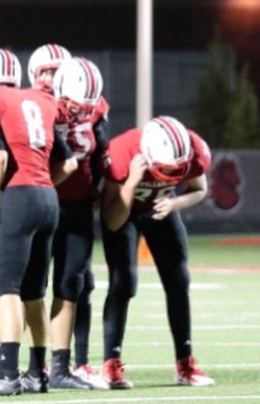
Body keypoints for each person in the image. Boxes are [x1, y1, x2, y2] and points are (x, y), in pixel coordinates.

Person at [0, 49, 77, 396]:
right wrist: (40, 187)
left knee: (5, 286)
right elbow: (69, 164)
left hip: (21, 195)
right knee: (33, 292)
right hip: (48, 198)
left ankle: (7, 373)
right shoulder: (40, 98)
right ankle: (36, 373)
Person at [100, 115, 215, 389]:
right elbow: (112, 219)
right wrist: (131, 182)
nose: (173, 175)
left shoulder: (193, 149)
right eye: (167, 168)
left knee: (178, 281)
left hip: (161, 210)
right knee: (124, 283)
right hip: (125, 213)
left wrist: (174, 203)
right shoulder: (121, 152)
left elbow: (199, 190)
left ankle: (185, 364)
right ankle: (110, 364)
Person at [47, 57, 110, 390]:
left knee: (73, 282)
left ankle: (70, 363)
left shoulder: (96, 110)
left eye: (86, 106)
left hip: (80, 205)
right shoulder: (42, 107)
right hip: (45, 204)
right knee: (32, 285)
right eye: (73, 104)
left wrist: (99, 187)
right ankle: (32, 362)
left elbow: (101, 152)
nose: (79, 112)